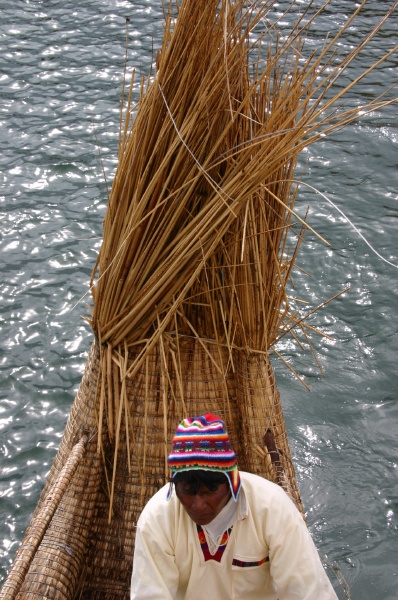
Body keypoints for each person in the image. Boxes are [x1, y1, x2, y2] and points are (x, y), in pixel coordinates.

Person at [130, 413, 338, 599]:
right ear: (173, 484)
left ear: (232, 481)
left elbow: (308, 593)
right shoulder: (156, 520)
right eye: (187, 491)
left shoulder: (273, 509)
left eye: (210, 491)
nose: (199, 505)